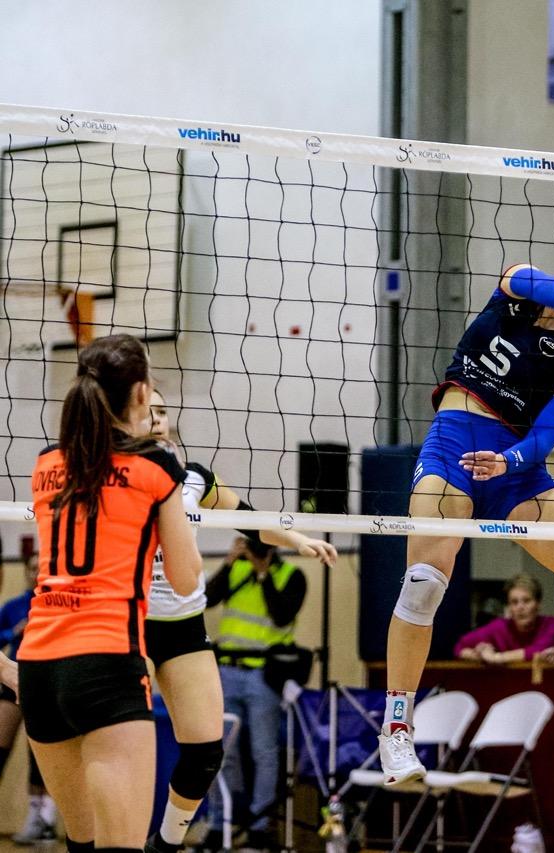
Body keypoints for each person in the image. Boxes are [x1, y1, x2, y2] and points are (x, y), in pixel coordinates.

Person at [378, 122, 554, 791]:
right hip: (454, 446)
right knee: (424, 582)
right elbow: (539, 285)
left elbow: (546, 435)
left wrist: (509, 465)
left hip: (515, 469)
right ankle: (396, 729)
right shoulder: (520, 284)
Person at [20, 334, 202, 853]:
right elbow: (185, 579)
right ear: (141, 393)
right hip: (105, 663)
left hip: (39, 666)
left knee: (82, 842)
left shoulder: (46, 464)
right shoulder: (157, 466)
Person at [143, 389, 336, 853]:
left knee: (208, 751)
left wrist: (297, 539)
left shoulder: (194, 478)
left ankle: (166, 845)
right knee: (126, 744)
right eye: (146, 410)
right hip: (127, 619)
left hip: (183, 624)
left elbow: (250, 520)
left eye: (163, 410)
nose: (156, 419)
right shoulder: (108, 473)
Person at [205, 536, 308, 845]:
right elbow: (207, 599)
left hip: (264, 675)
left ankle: (259, 825)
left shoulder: (292, 576)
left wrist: (263, 573)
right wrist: (229, 561)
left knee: (264, 752)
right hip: (228, 670)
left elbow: (281, 614)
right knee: (222, 751)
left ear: (274, 546)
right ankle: (220, 822)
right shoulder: (236, 569)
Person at [0, 555, 59, 844]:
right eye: (32, 568)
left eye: (41, 568)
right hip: (13, 676)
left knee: (40, 753)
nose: (36, 572)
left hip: (48, 679)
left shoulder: (57, 602)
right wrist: (14, 631)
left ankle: (43, 820)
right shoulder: (14, 606)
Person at [454, 574, 554, 664]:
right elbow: (459, 647)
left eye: (526, 601)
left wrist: (496, 658)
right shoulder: (499, 627)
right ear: (509, 607)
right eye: (514, 602)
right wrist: (480, 654)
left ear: (538, 604)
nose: (520, 607)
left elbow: (539, 650)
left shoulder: (553, 624)